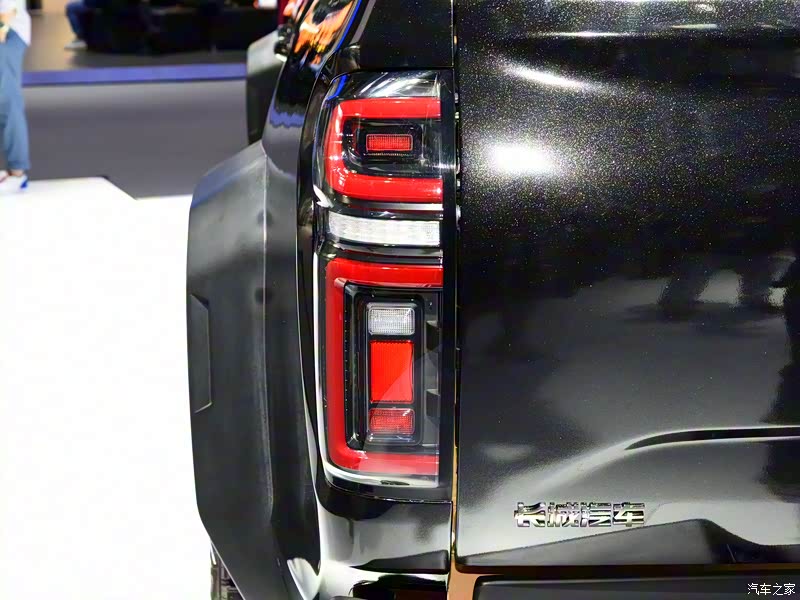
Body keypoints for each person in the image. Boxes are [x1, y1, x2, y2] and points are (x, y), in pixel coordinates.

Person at [0, 0, 30, 194]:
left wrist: (1, 30)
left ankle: (17, 172)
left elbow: (8, 12)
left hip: (9, 33)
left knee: (8, 100)